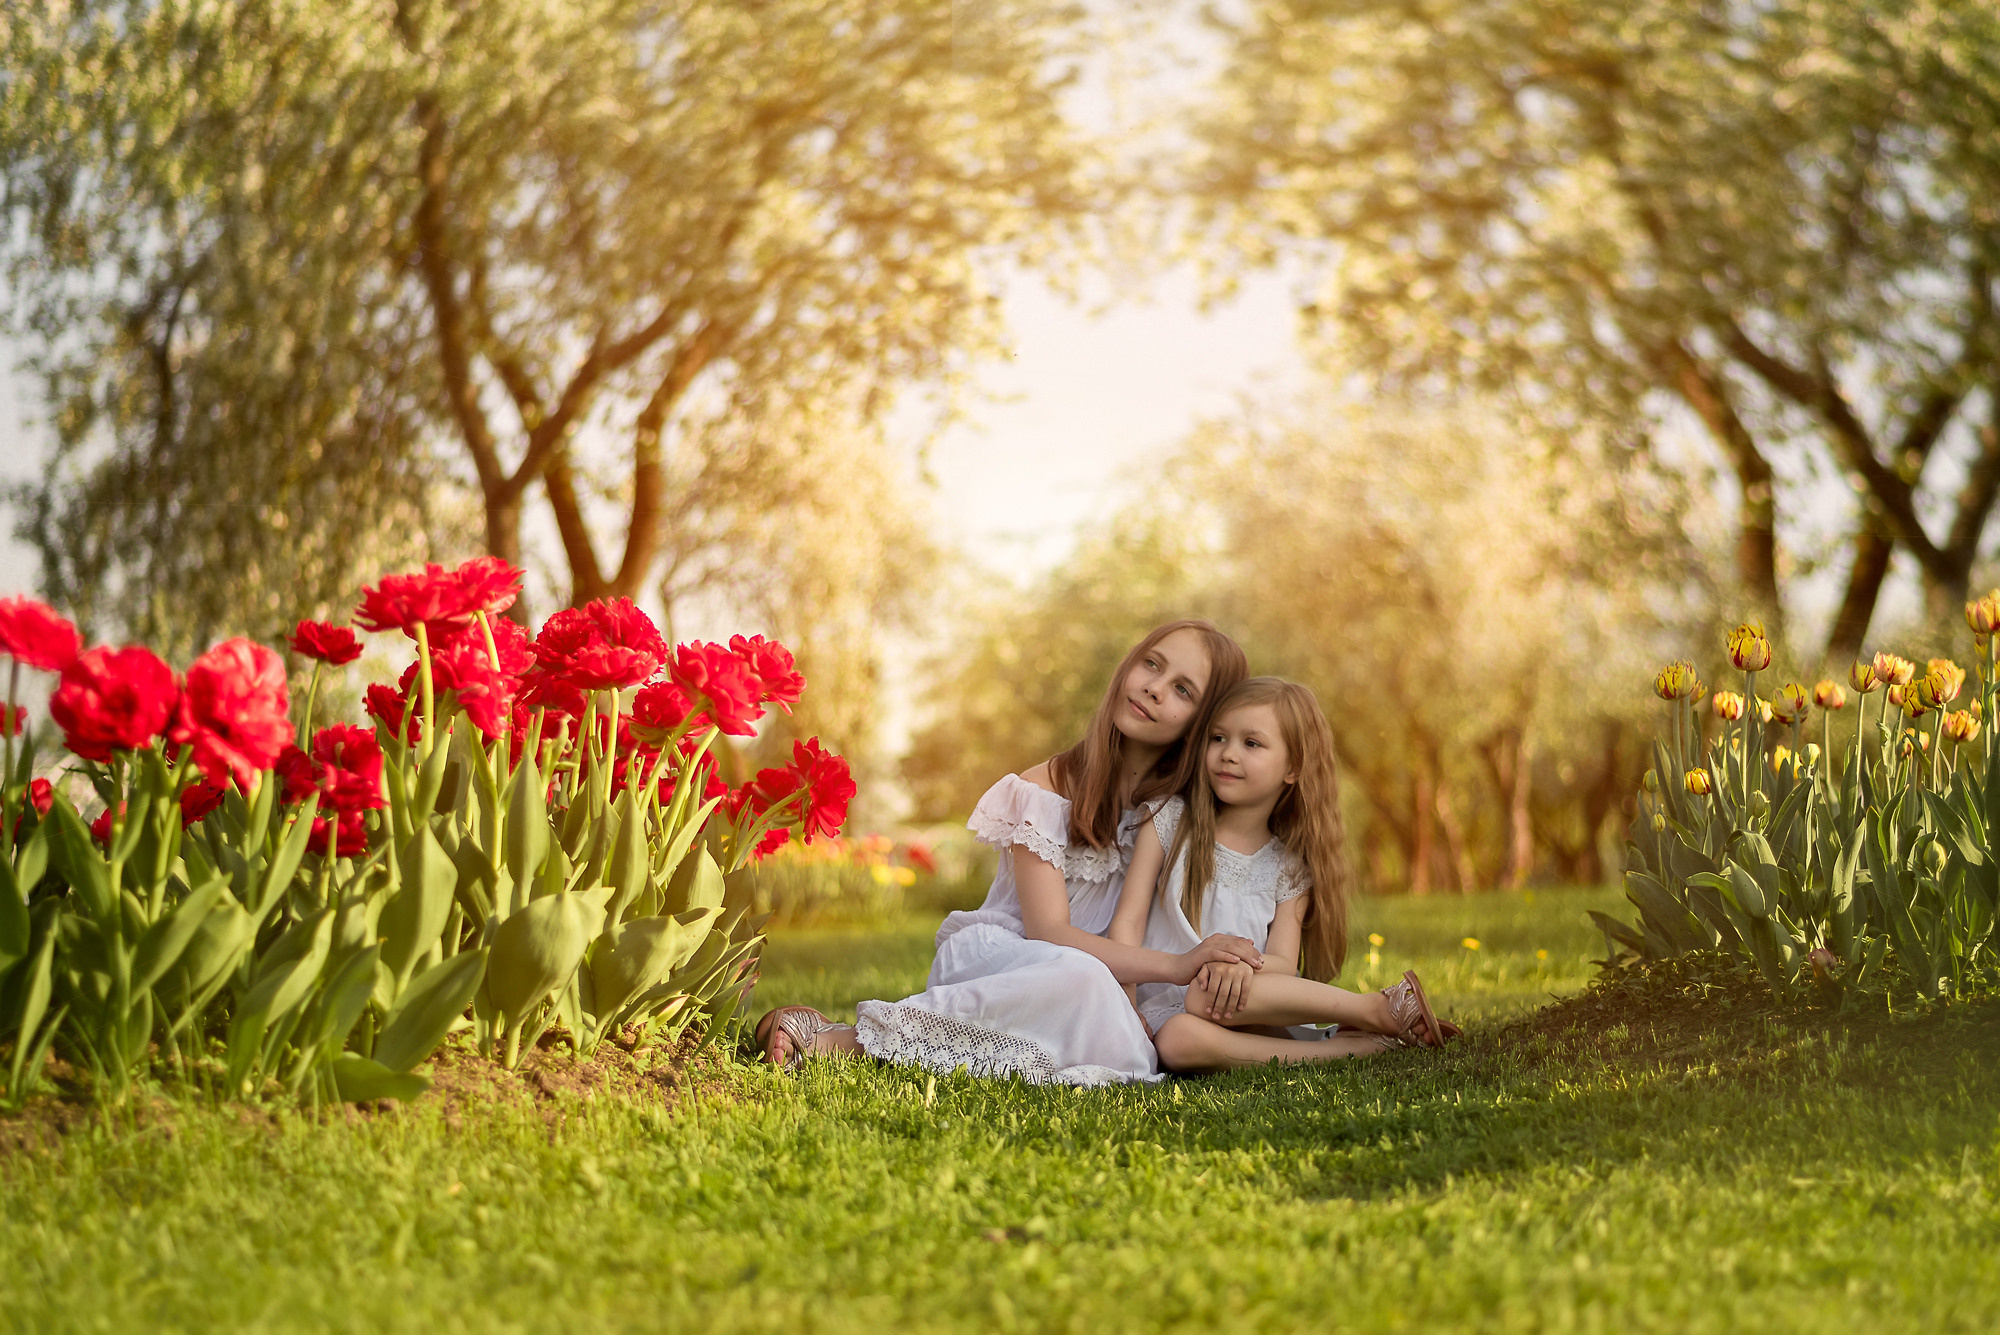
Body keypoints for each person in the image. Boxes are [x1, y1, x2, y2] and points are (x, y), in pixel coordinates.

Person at [753, 619, 1257, 1084]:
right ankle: (844, 1041)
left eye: (1182, 690)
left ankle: (968, 1035)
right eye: (1151, 663)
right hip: (1009, 957)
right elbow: (1050, 932)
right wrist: (1172, 967)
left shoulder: (1172, 815)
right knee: (1081, 982)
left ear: (1203, 724)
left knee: (1127, 1038)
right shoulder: (1043, 790)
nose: (1154, 686)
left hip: (1103, 977)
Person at [1108, 677, 1459, 1070]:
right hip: (1166, 1008)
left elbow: (1282, 963)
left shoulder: (1288, 867)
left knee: (1204, 991)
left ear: (1292, 768)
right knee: (1178, 1039)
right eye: (1219, 738)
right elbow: (1127, 922)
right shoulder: (1169, 820)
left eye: (1251, 743)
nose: (1228, 754)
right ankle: (1357, 1048)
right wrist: (1125, 1005)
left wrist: (1234, 964)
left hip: (1243, 1004)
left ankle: (1378, 1008)